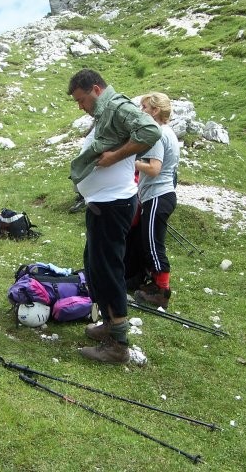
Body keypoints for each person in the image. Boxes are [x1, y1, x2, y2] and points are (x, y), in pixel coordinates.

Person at [68, 69, 161, 364]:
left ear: (96, 89)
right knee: (95, 267)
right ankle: (108, 324)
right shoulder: (105, 111)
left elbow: (150, 131)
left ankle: (118, 345)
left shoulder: (118, 106)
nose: (80, 106)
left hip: (114, 204)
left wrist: (117, 156)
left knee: (108, 270)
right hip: (101, 203)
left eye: (82, 100)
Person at [133, 92, 180, 308]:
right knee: (149, 241)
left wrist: (132, 161)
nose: (141, 111)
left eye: (144, 107)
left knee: (153, 245)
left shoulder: (158, 134)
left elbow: (154, 169)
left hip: (157, 196)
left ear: (155, 111)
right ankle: (154, 283)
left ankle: (162, 292)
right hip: (162, 195)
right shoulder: (168, 132)